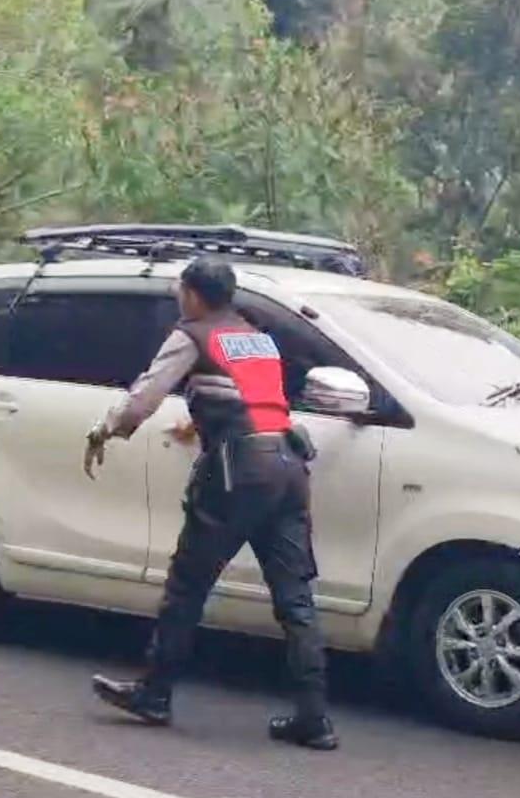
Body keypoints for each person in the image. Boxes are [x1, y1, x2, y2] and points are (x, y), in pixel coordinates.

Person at [85, 257, 337, 751]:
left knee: (187, 586)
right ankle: (314, 718)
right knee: (295, 600)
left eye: (181, 289)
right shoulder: (256, 336)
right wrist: (199, 423)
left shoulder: (193, 333)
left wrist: (104, 430)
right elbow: (253, 399)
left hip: (237, 473)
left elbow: (145, 397)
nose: (179, 297)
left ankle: (155, 694)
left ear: (194, 295)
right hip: (288, 468)